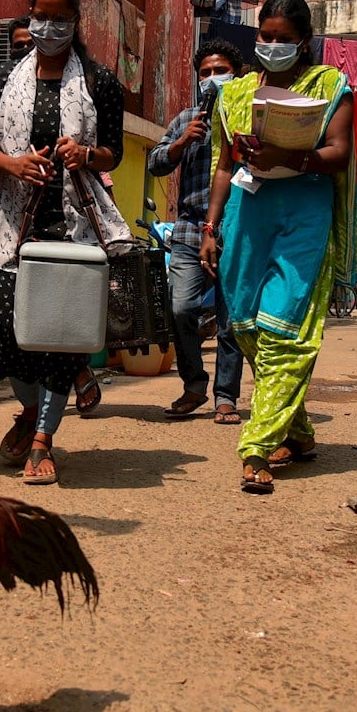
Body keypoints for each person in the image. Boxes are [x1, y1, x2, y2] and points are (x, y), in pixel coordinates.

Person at [199, 0, 357, 494]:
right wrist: (210, 227)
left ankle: (257, 446)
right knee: (246, 325)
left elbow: (339, 152)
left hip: (305, 218)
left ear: (304, 43)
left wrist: (292, 155)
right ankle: (300, 431)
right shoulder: (236, 94)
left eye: (283, 39)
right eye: (265, 37)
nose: (272, 45)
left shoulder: (330, 86)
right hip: (246, 218)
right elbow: (224, 166)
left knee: (284, 330)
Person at [0, 0, 131, 484]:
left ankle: (43, 438)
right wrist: (12, 164)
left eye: (58, 19)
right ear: (29, 15)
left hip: (71, 227)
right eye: (40, 17)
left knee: (60, 337)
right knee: (3, 330)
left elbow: (116, 150)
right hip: (11, 227)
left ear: (75, 21)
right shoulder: (2, 79)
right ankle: (30, 407)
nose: (47, 27)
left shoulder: (100, 81)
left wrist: (84, 153)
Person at [147, 39, 245, 425]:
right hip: (188, 230)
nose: (211, 78)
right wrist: (182, 142)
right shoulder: (185, 118)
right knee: (181, 307)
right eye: (205, 73)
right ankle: (193, 383)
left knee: (230, 320)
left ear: (236, 73)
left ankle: (226, 396)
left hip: (235, 229)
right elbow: (155, 162)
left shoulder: (247, 113)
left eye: (219, 71)